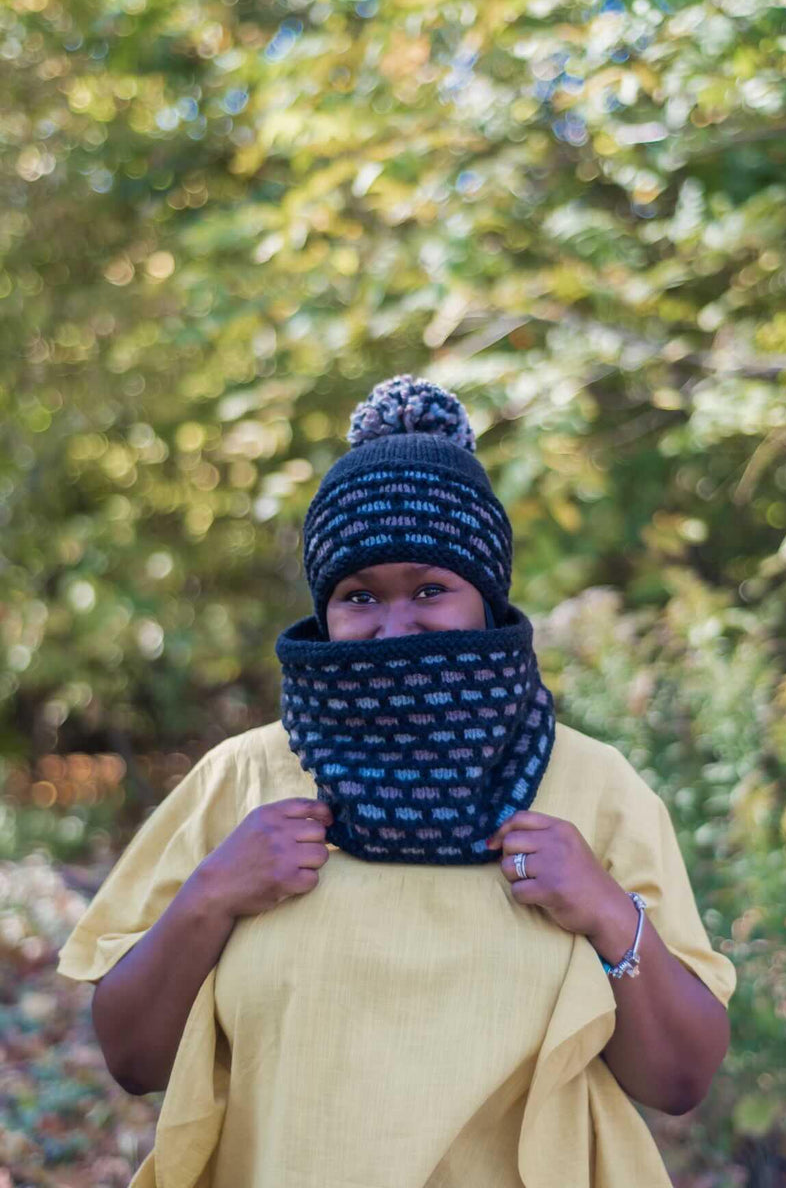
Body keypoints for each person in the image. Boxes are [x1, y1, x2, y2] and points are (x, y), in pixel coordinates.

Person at [58, 375, 736, 1188]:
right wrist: (211, 895)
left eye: (430, 588)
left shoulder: (592, 787)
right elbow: (133, 1059)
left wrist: (607, 912)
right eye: (358, 595)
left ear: (487, 599)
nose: (394, 625)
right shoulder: (243, 782)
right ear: (324, 612)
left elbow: (678, 1082)